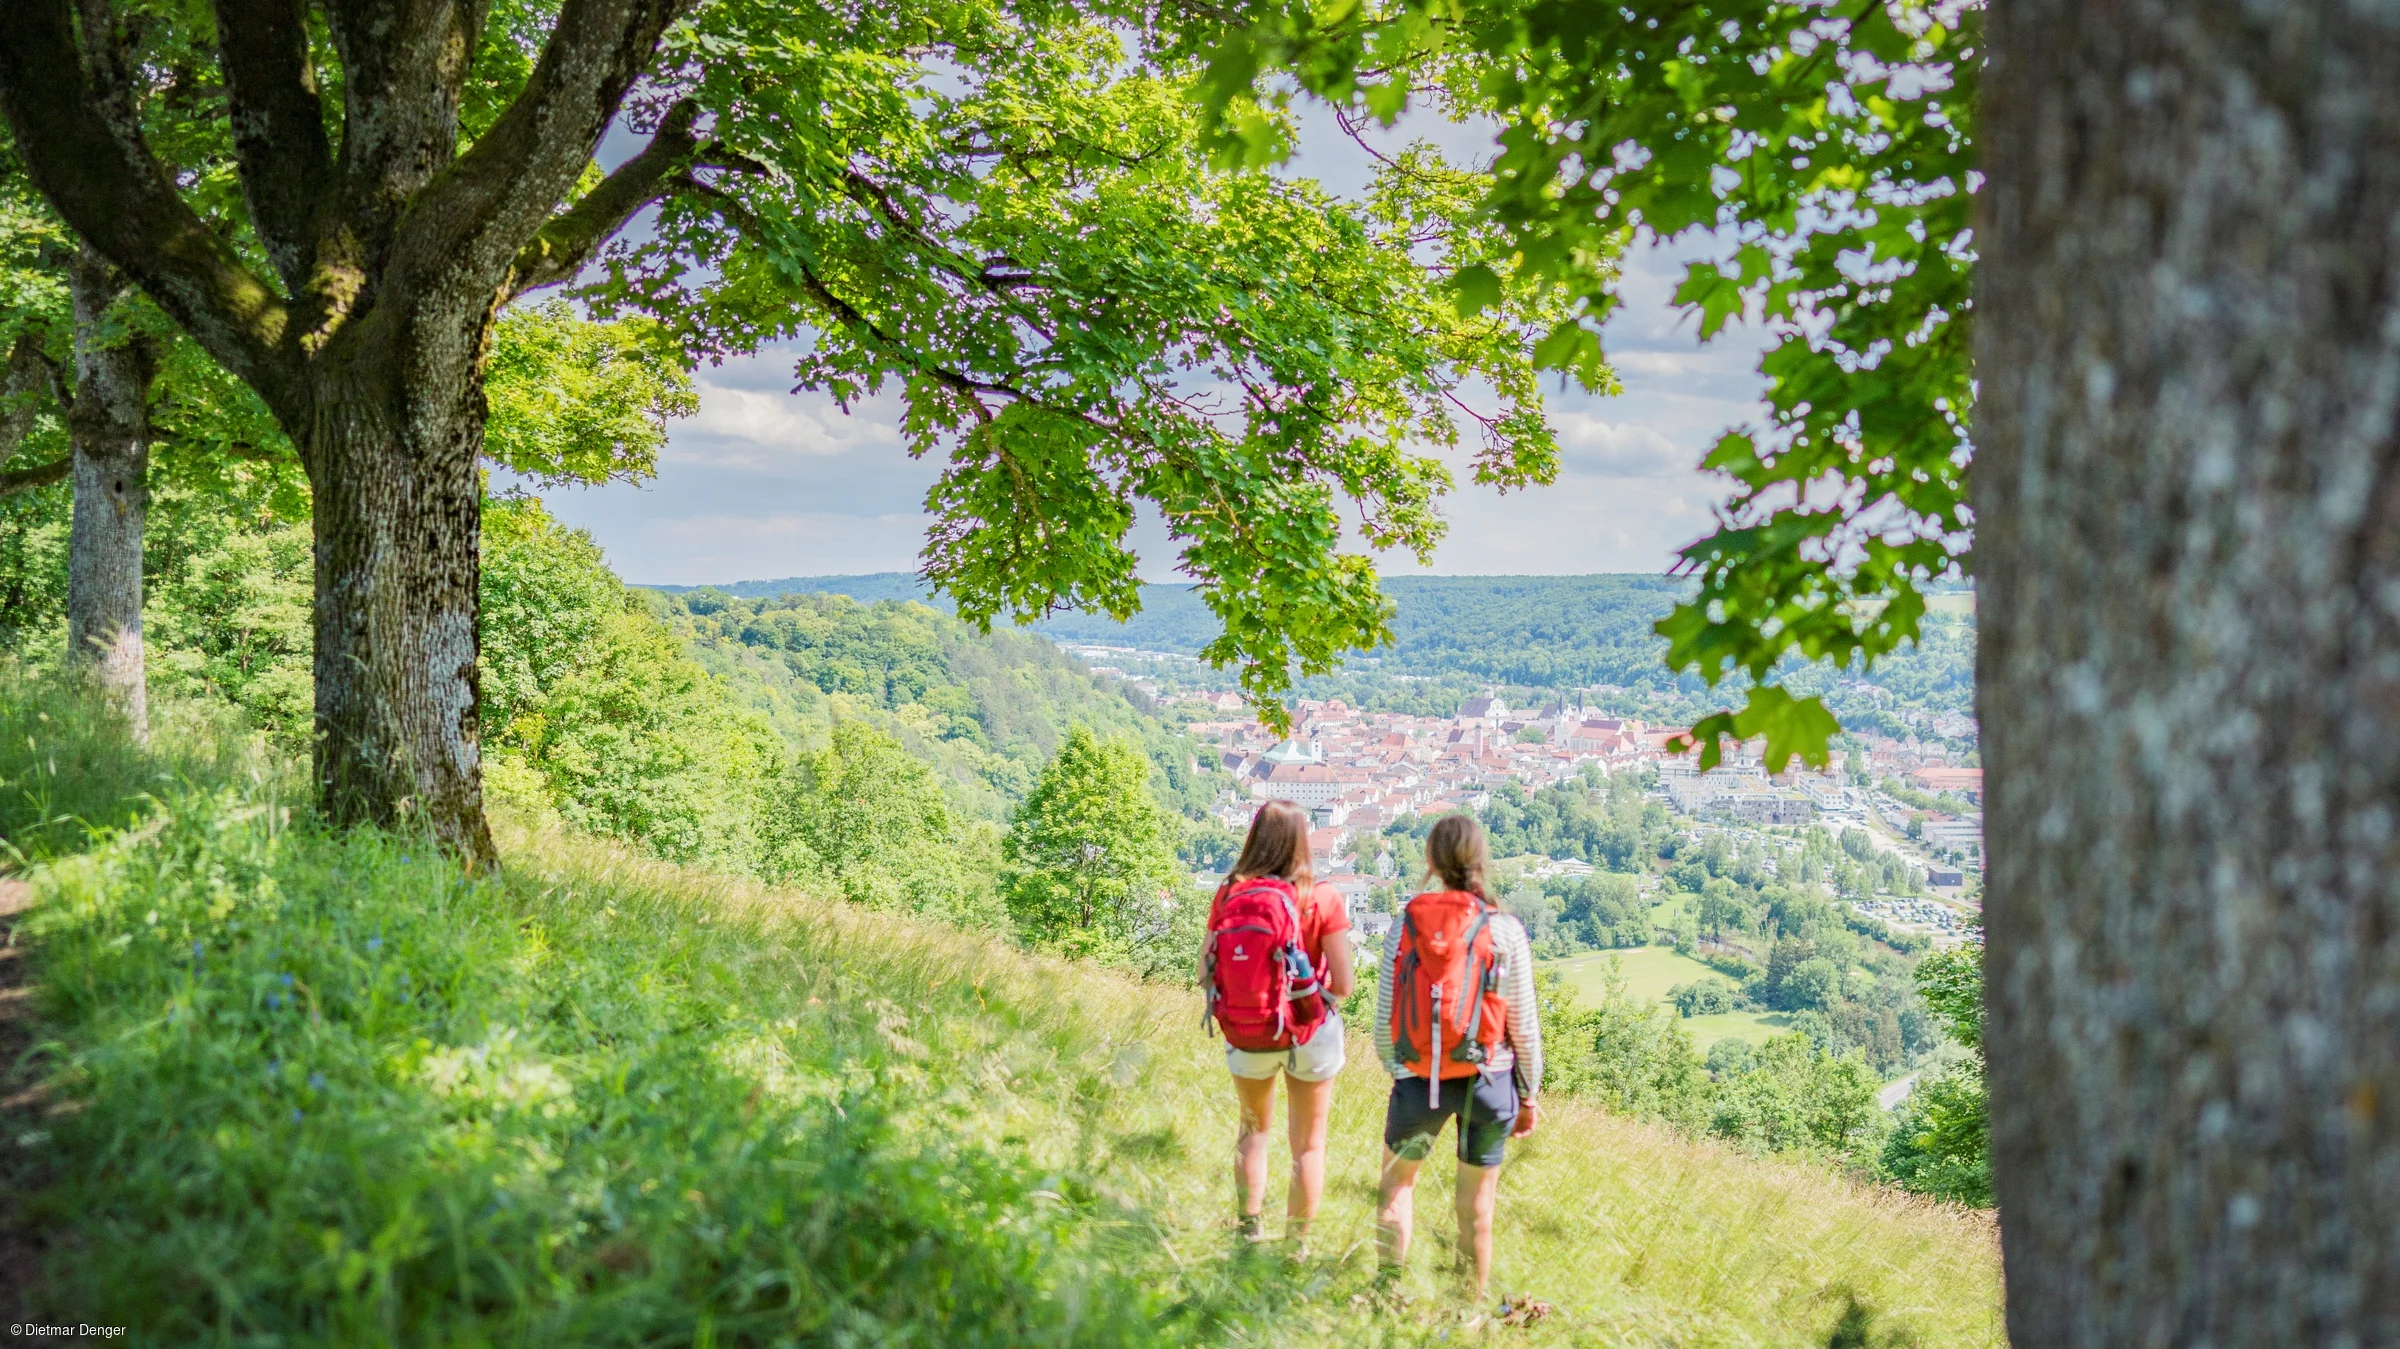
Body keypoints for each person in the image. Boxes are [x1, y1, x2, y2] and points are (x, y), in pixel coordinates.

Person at [1372, 812, 1542, 1300]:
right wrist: (1529, 1094)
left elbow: (1386, 1017)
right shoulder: (1505, 931)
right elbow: (1523, 1027)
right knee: (1475, 1209)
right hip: (1488, 1082)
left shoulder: (1403, 925)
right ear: (1480, 859)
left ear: (1431, 860)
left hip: (1417, 1082)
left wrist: (1402, 1069)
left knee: (1396, 1187)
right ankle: (1465, 1313)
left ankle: (1388, 1293)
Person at [1202, 799, 1356, 1241]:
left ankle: (1248, 1232)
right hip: (1309, 1033)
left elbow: (1205, 969)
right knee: (1307, 1145)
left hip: (1250, 1030)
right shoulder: (1322, 897)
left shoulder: (1231, 893)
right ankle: (1296, 1247)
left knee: (1253, 1131)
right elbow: (1343, 986)